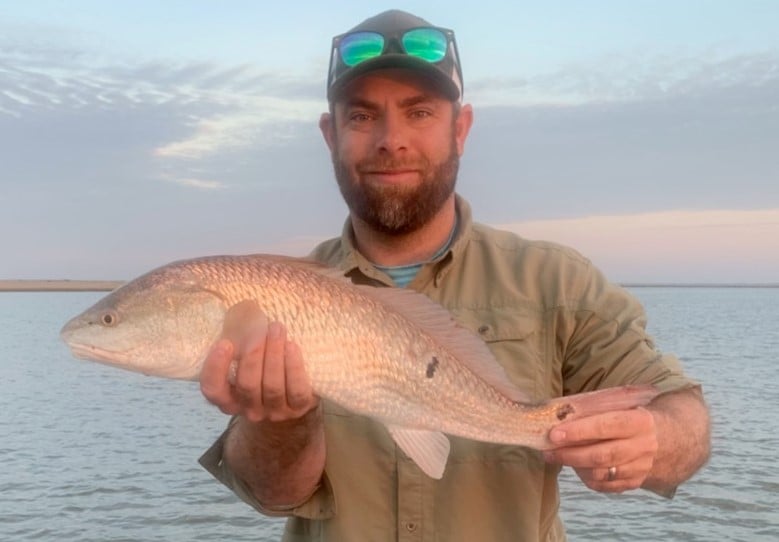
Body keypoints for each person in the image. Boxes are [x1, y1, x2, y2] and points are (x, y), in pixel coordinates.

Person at [198, 9, 710, 541]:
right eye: (361, 116)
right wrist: (284, 421)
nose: (391, 140)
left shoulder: (558, 280)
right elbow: (271, 495)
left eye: (419, 113)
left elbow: (683, 417)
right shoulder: (279, 293)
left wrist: (655, 435)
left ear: (460, 128)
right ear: (330, 135)